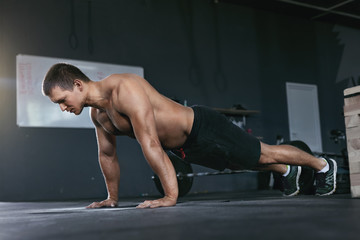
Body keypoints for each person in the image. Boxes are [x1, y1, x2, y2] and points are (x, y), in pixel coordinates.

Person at [42, 63, 337, 209]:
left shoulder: (123, 88)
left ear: (78, 84)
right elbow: (107, 155)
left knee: (263, 153)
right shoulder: (98, 115)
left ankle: (323, 166)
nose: (63, 107)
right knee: (244, 161)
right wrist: (112, 198)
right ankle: (288, 172)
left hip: (201, 126)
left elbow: (150, 141)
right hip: (186, 148)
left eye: (62, 100)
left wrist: (171, 196)